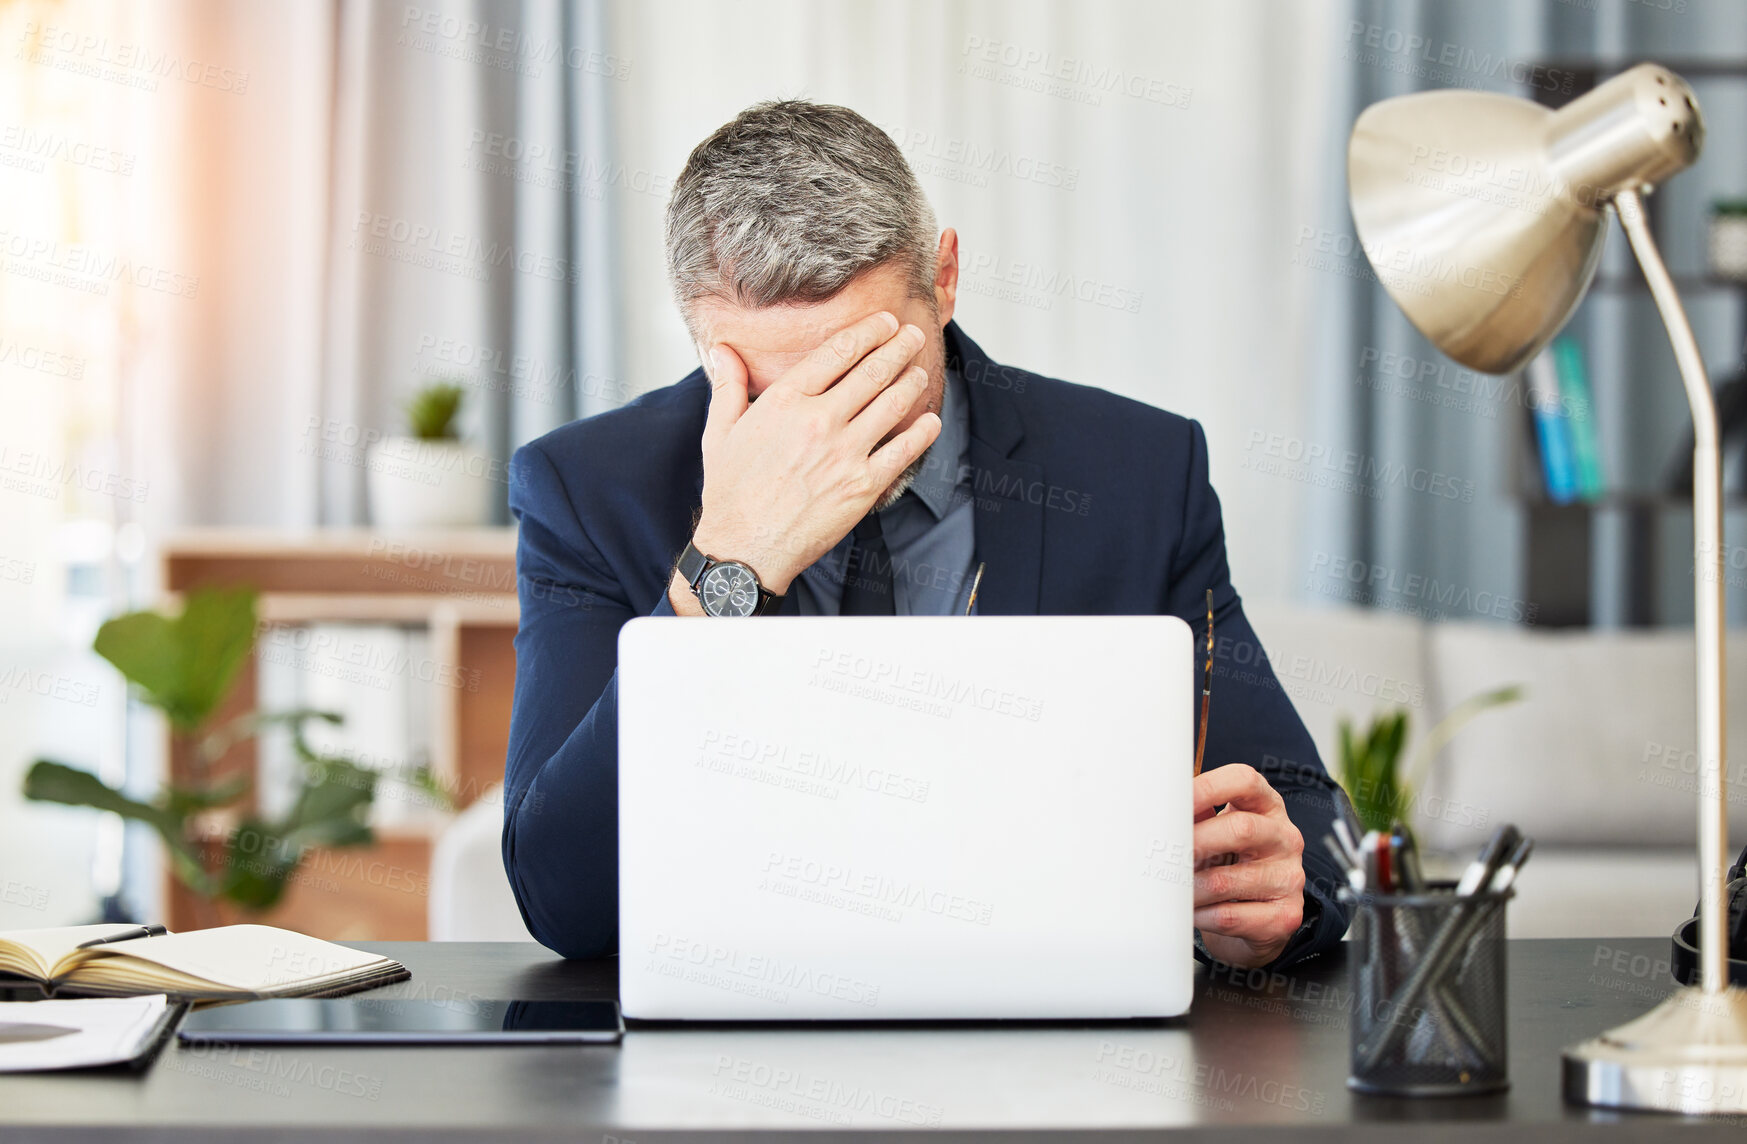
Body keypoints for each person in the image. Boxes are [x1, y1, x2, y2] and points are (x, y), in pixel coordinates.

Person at [503, 99, 1351, 970]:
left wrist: (1271, 897)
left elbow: (1301, 813)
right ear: (695, 329)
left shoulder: (1136, 471)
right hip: (739, 1038)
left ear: (943, 278)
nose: (831, 432)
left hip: (1049, 1026)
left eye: (867, 373)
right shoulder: (588, 491)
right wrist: (729, 562)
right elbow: (564, 903)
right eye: (770, 395)